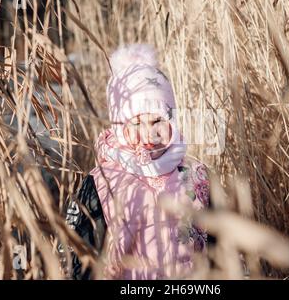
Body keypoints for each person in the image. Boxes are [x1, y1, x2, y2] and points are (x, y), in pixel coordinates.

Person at [62, 44, 215, 280]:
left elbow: (224, 249)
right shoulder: (100, 184)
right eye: (136, 124)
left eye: (157, 121)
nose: (149, 134)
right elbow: (78, 258)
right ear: (119, 127)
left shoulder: (197, 177)